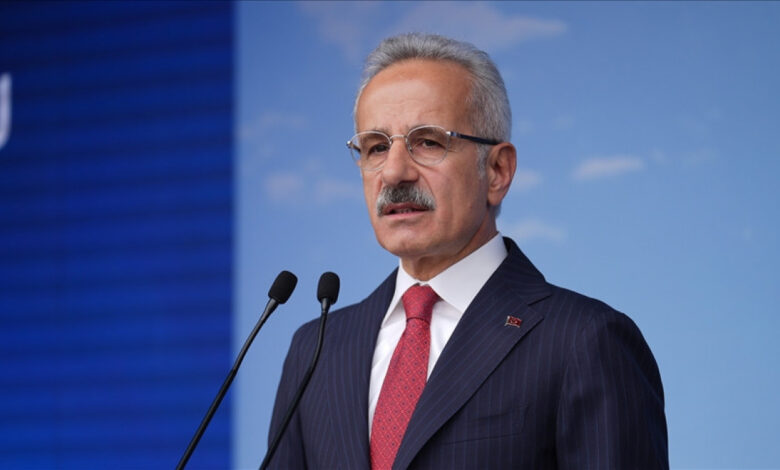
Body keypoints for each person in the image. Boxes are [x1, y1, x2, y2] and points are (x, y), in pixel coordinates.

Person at [268, 33, 668, 469]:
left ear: (497, 170)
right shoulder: (316, 349)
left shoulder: (583, 340)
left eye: (428, 141)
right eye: (377, 147)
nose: (395, 172)